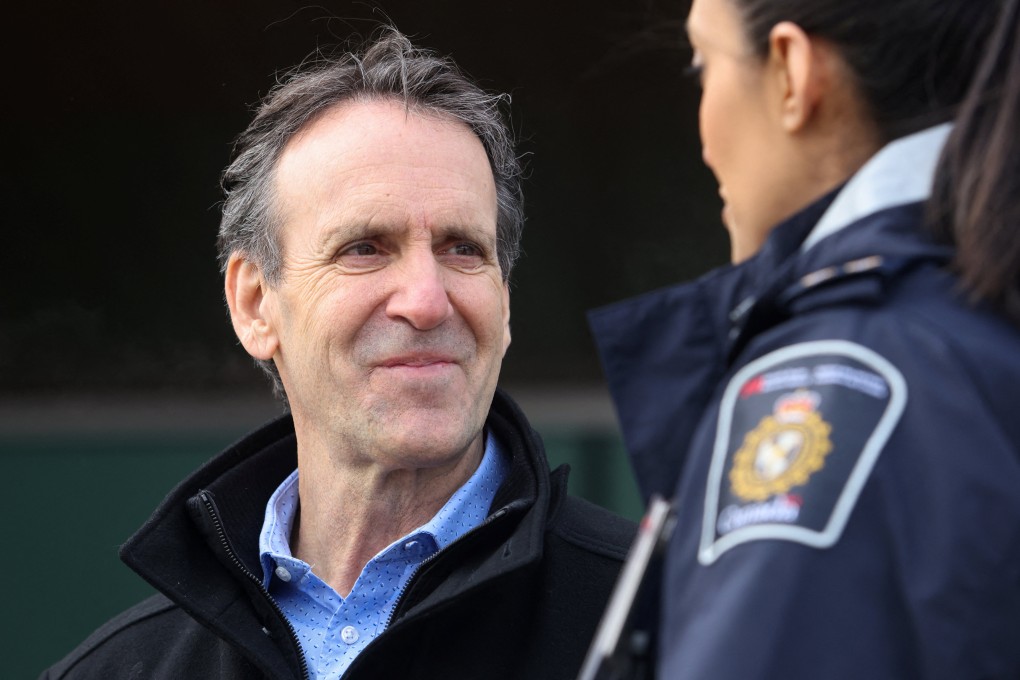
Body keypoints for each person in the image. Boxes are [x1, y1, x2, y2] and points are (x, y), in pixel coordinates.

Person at [43, 28, 635, 680]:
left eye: (463, 248)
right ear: (253, 304)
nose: (427, 301)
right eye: (365, 248)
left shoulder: (671, 622)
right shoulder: (119, 671)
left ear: (506, 295)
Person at [589, 0, 1020, 677]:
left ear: (791, 71)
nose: (702, 137)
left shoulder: (839, 376)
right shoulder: (977, 312)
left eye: (704, 64)